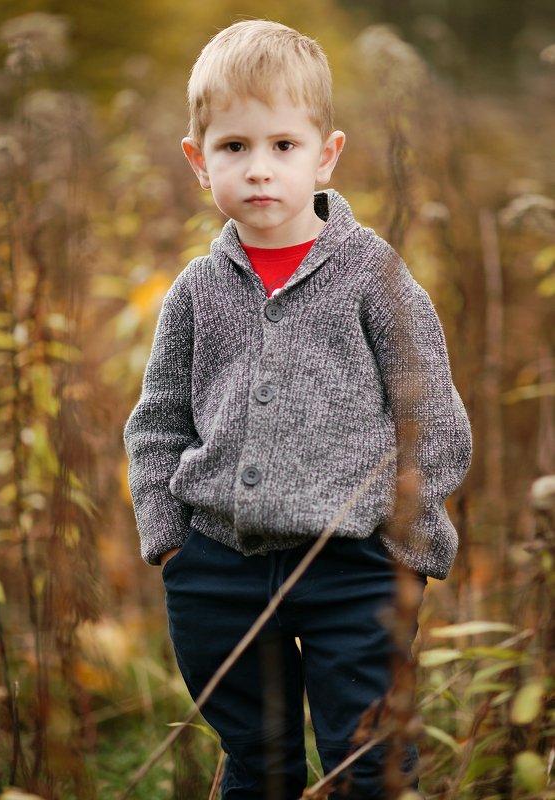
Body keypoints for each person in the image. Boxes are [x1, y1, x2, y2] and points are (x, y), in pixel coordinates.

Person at [124, 19, 472, 800]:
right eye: (234, 147)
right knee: (258, 764)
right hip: (218, 569)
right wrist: (170, 540)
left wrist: (409, 549)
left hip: (356, 569)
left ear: (326, 153)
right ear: (198, 161)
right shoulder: (196, 291)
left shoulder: (372, 276)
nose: (259, 170)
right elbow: (157, 423)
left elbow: (432, 416)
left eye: (283, 145)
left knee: (369, 763)